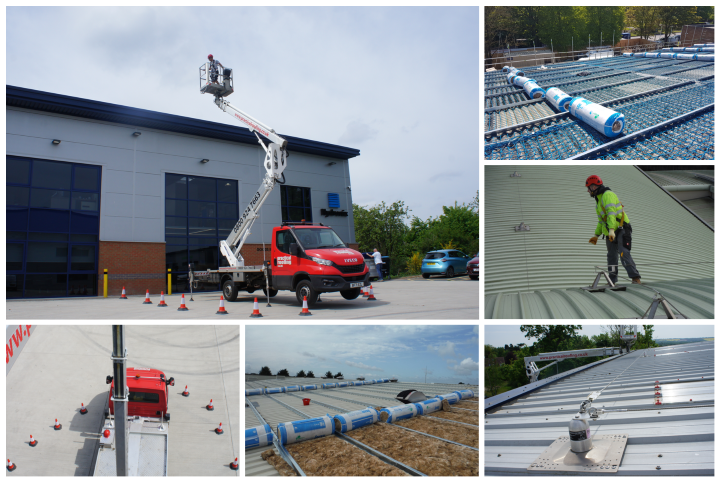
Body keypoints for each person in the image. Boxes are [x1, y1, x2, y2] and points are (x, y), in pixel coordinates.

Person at [586, 175, 642, 285]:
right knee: (611, 256)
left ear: (594, 187)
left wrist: (612, 229)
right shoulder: (598, 201)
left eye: (589, 188)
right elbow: (602, 221)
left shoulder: (608, 195)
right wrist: (596, 235)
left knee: (623, 252)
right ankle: (612, 280)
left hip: (621, 228)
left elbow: (612, 213)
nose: (588, 191)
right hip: (610, 230)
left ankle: (635, 278)